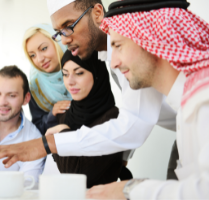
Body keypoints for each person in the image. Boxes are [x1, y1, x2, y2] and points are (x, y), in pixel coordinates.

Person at [0, 0, 178, 175]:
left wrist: (49, 144)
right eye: (59, 32)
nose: (64, 39)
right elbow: (135, 116)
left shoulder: (132, 51)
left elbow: (134, 123)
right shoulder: (109, 58)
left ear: (98, 13)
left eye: (68, 26)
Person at [86, 0, 209, 199]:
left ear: (155, 39)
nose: (114, 63)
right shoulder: (186, 102)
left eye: (118, 46)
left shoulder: (204, 97)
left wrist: (131, 189)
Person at [47, 50, 123, 188]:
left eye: (79, 73)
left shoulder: (113, 118)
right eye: (65, 74)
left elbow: (76, 176)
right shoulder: (64, 114)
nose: (70, 82)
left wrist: (64, 131)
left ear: (96, 74)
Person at [23, 24, 72, 135]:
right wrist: (52, 114)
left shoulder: (82, 65)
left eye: (44, 48)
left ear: (57, 43)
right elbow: (37, 129)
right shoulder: (36, 87)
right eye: (33, 55)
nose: (40, 59)